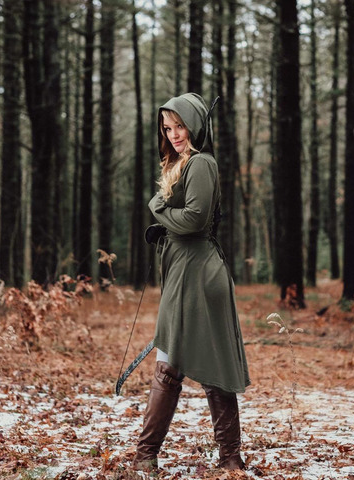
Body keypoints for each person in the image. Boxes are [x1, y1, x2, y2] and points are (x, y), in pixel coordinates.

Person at [133, 93, 250, 472]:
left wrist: (158, 208)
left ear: (195, 125)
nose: (173, 134)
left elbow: (195, 220)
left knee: (173, 363)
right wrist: (164, 224)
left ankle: (145, 458)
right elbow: (185, 220)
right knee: (186, 362)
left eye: (179, 126)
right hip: (187, 269)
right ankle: (228, 460)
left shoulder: (200, 163)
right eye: (167, 129)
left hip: (198, 273)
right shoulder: (184, 163)